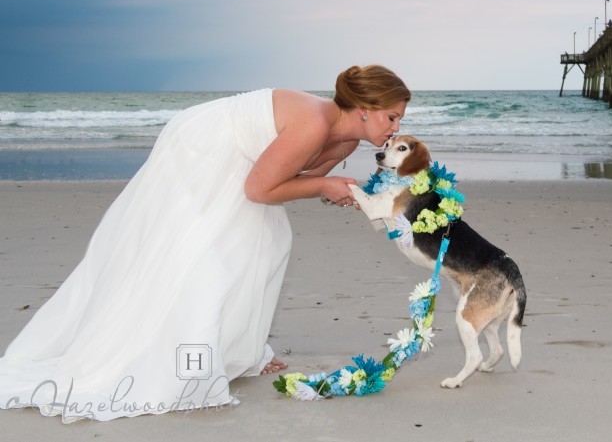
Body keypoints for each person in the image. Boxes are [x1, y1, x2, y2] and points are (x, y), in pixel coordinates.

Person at [0, 65, 411, 422]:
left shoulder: (347, 141)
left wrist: (346, 192)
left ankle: (235, 351)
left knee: (266, 242)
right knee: (204, 251)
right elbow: (260, 188)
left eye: (399, 120)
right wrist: (324, 185)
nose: (395, 128)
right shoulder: (315, 122)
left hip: (243, 160)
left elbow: (293, 179)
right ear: (364, 108)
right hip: (206, 145)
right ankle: (185, 364)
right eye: (391, 117)